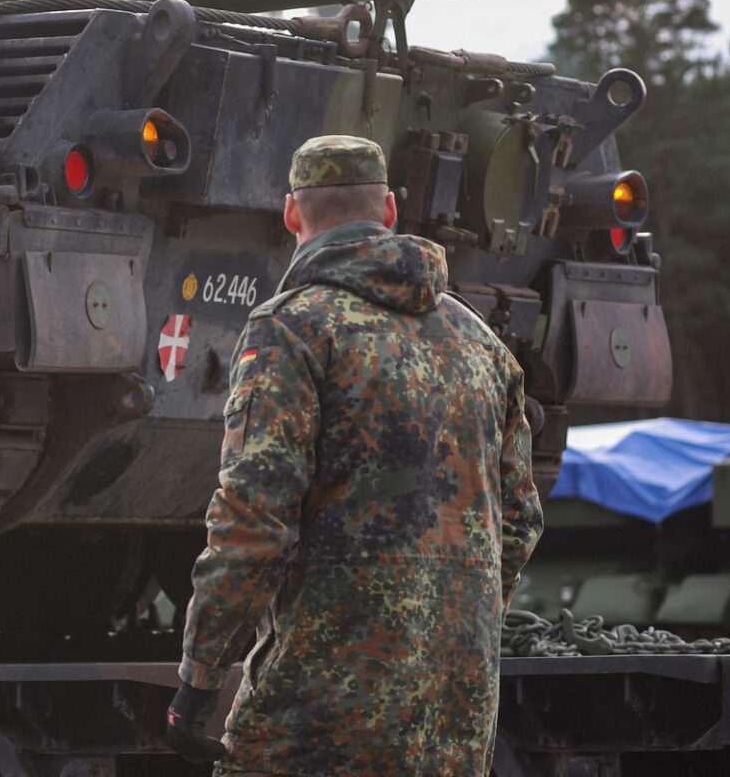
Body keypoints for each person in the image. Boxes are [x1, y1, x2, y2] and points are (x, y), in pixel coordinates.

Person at [166, 134, 544, 777]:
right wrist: (446, 622)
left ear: (292, 214)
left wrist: (199, 678)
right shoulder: (482, 345)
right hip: (456, 709)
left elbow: (253, 521)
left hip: (324, 708)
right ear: (391, 211)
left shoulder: (292, 328)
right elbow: (520, 520)